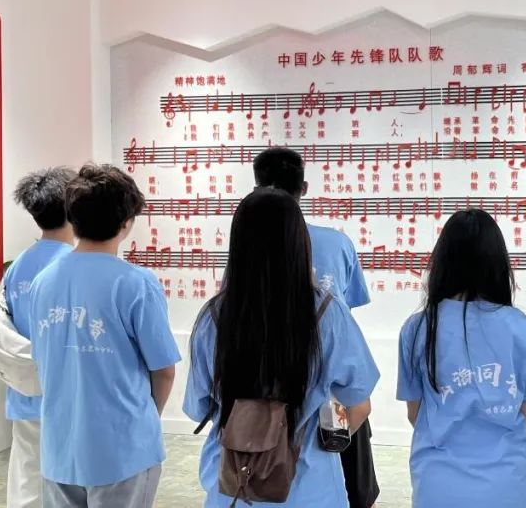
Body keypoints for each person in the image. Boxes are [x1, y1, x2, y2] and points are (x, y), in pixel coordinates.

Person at [184, 187, 379, 507]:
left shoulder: (214, 317)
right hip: (311, 490)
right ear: (300, 243)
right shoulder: (328, 313)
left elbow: (197, 407)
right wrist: (322, 439)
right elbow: (359, 404)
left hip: (232, 488)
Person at [28, 164, 180, 508]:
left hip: (60, 448)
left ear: (72, 218)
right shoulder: (136, 283)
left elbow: (44, 358)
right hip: (122, 449)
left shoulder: (43, 283)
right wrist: (144, 420)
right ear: (126, 222)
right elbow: (164, 371)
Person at [252, 146, 377, 507]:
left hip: (260, 403)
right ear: (303, 188)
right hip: (333, 391)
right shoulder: (337, 243)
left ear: (256, 189)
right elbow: (347, 314)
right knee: (351, 483)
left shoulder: (247, 250)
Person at [398, 209, 526, 508]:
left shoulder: (418, 327)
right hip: (506, 485)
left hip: (438, 486)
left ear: (443, 262)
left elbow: (415, 413)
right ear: (498, 264)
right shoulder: (525, 330)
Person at [2, 167, 76, 508]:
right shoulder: (73, 265)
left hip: (24, 388)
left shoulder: (19, 265)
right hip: (66, 393)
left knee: (26, 482)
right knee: (66, 485)